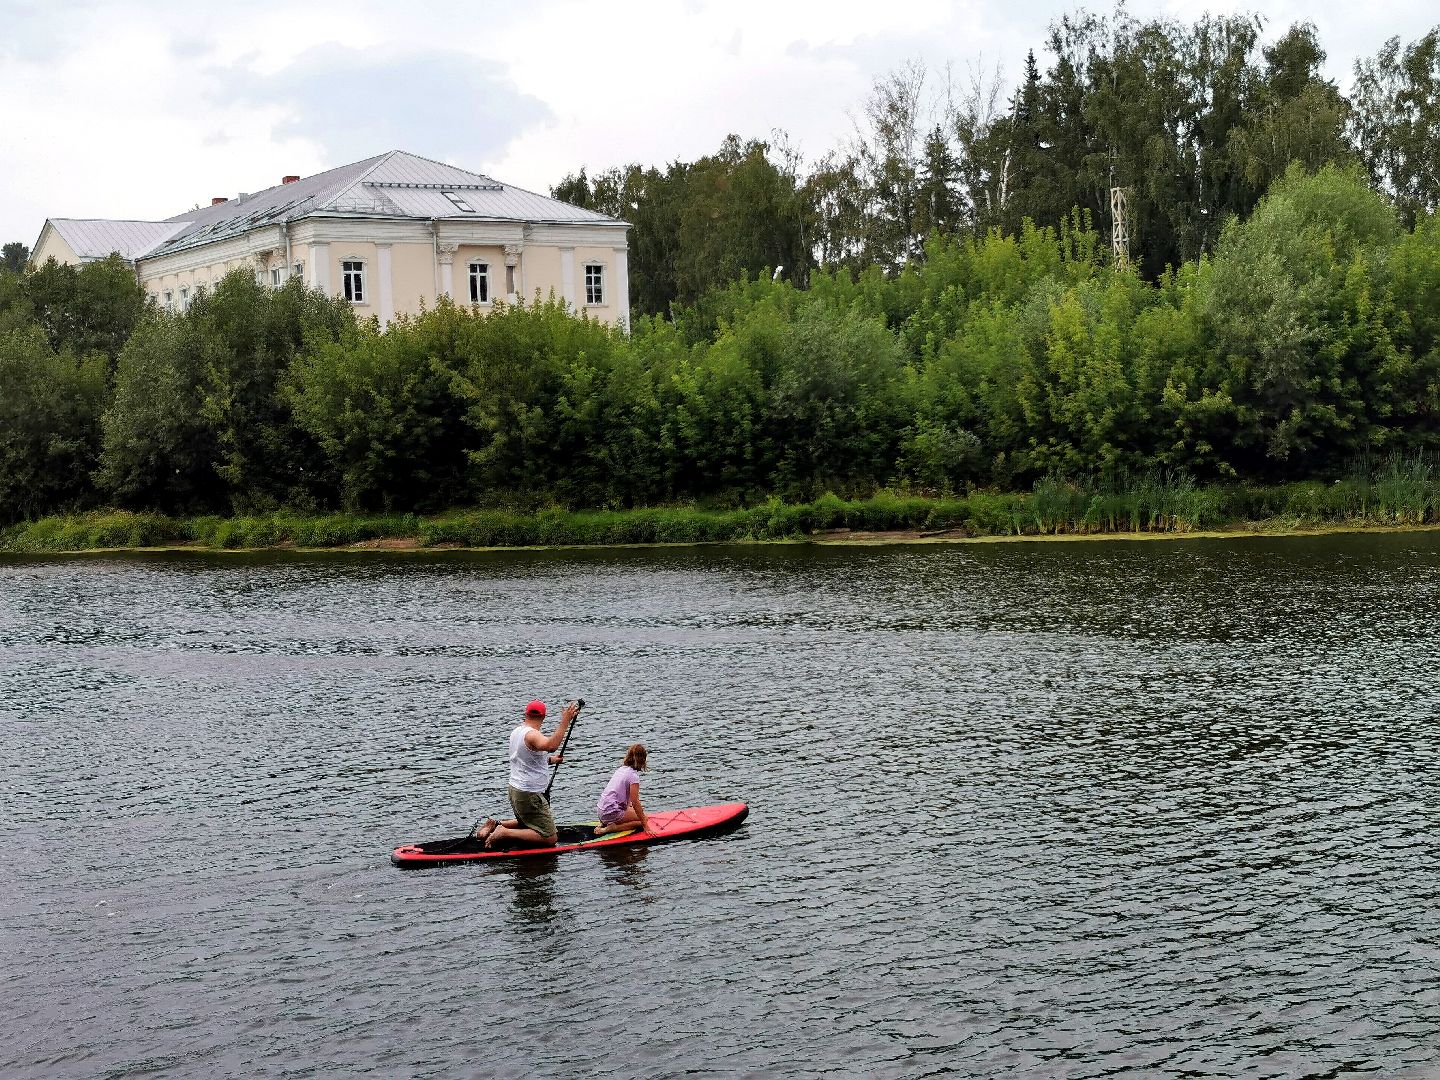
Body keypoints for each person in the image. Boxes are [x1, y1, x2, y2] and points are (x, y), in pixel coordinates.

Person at [475, 699, 579, 849]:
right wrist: (565, 721)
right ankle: (504, 832)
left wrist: (550, 760)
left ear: (526, 714)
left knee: (527, 821)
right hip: (529, 794)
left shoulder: (517, 732)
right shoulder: (532, 735)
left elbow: (526, 759)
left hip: (516, 790)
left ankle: (496, 824)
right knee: (549, 837)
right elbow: (551, 745)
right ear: (544, 717)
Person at [594, 743, 650, 837]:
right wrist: (645, 825)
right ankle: (612, 828)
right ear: (642, 760)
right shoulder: (633, 776)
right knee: (644, 818)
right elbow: (635, 802)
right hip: (611, 812)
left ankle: (605, 822)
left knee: (638, 810)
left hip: (601, 811)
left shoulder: (621, 769)